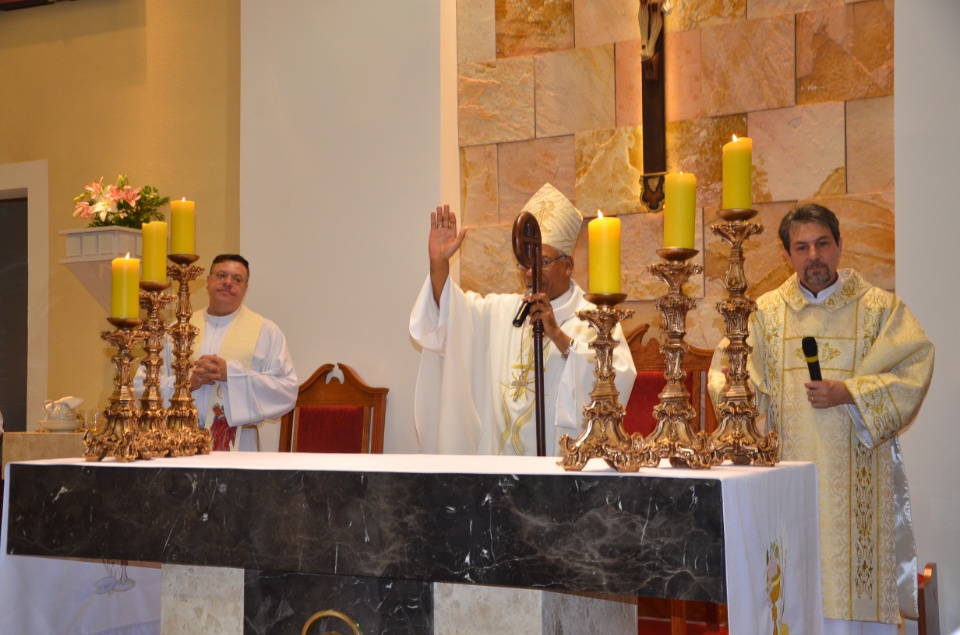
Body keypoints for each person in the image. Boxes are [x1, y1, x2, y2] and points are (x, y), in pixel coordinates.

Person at [708, 204, 934, 633]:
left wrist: (848, 392)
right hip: (787, 483)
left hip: (856, 485)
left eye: (822, 244)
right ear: (787, 255)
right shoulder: (765, 314)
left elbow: (914, 366)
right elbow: (729, 375)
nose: (814, 256)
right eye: (802, 247)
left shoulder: (880, 310)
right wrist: (742, 401)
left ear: (839, 245)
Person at [410, 183, 637, 456]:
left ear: (568, 265)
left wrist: (560, 338)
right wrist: (439, 265)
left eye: (542, 262)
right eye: (525, 265)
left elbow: (619, 379)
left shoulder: (596, 321)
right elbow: (450, 318)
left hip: (563, 479)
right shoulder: (504, 312)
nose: (531, 274)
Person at [145, 254, 298, 451]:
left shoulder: (266, 332)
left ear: (245, 289)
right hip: (178, 439)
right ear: (208, 281)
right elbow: (144, 386)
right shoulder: (177, 330)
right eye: (221, 275)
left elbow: (286, 390)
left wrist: (231, 375)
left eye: (237, 279)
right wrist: (184, 384)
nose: (228, 283)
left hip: (238, 443)